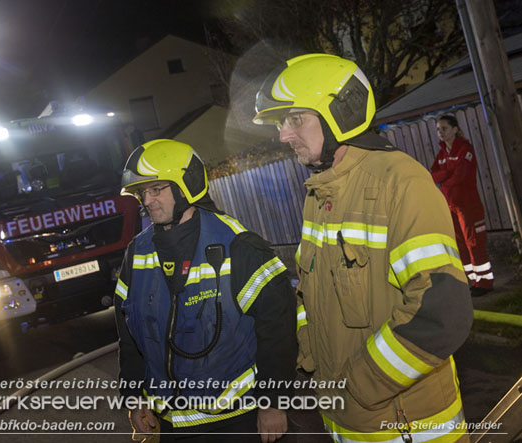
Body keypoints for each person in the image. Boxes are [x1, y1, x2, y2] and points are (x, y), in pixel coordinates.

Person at [252, 54, 473, 442]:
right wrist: (310, 365)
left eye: (294, 120)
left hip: (407, 429)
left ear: (340, 114)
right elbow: (313, 300)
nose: (284, 136)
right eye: (281, 124)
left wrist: (357, 386)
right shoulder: (318, 194)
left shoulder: (400, 181)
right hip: (346, 423)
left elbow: (441, 311)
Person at [114, 139, 297, 442]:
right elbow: (129, 334)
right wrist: (133, 397)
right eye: (141, 193)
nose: (147, 200)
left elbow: (278, 329)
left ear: (187, 185)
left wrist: (274, 401)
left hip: (238, 421)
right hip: (172, 423)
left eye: (156, 189)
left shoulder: (239, 245)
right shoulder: (137, 252)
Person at [431, 115, 494, 296]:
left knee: (474, 242)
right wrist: (448, 173)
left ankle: (485, 283)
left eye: (444, 128)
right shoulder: (442, 153)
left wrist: (445, 177)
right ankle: (473, 280)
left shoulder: (465, 150)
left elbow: (461, 176)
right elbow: (433, 175)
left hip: (468, 205)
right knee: (460, 244)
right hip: (450, 205)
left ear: (455, 129)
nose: (440, 133)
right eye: (438, 129)